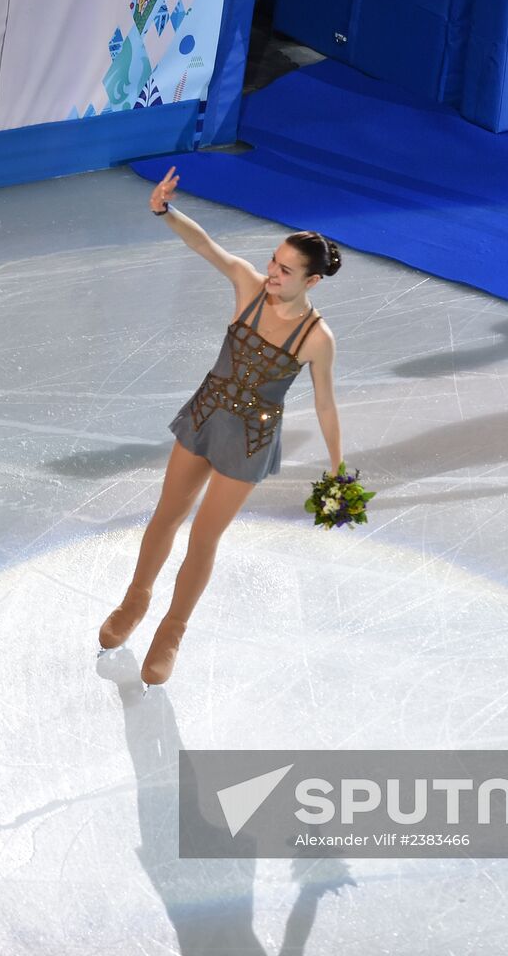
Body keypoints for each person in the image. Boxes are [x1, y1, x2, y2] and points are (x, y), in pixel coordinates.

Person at [98, 166, 344, 688]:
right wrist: (164, 210)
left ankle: (172, 630)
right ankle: (136, 598)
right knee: (167, 515)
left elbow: (325, 405)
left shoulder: (317, 337)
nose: (271, 273)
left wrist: (338, 468)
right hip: (207, 415)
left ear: (312, 280)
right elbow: (208, 247)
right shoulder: (249, 289)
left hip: (250, 441)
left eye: (284, 270)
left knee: (203, 539)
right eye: (273, 263)